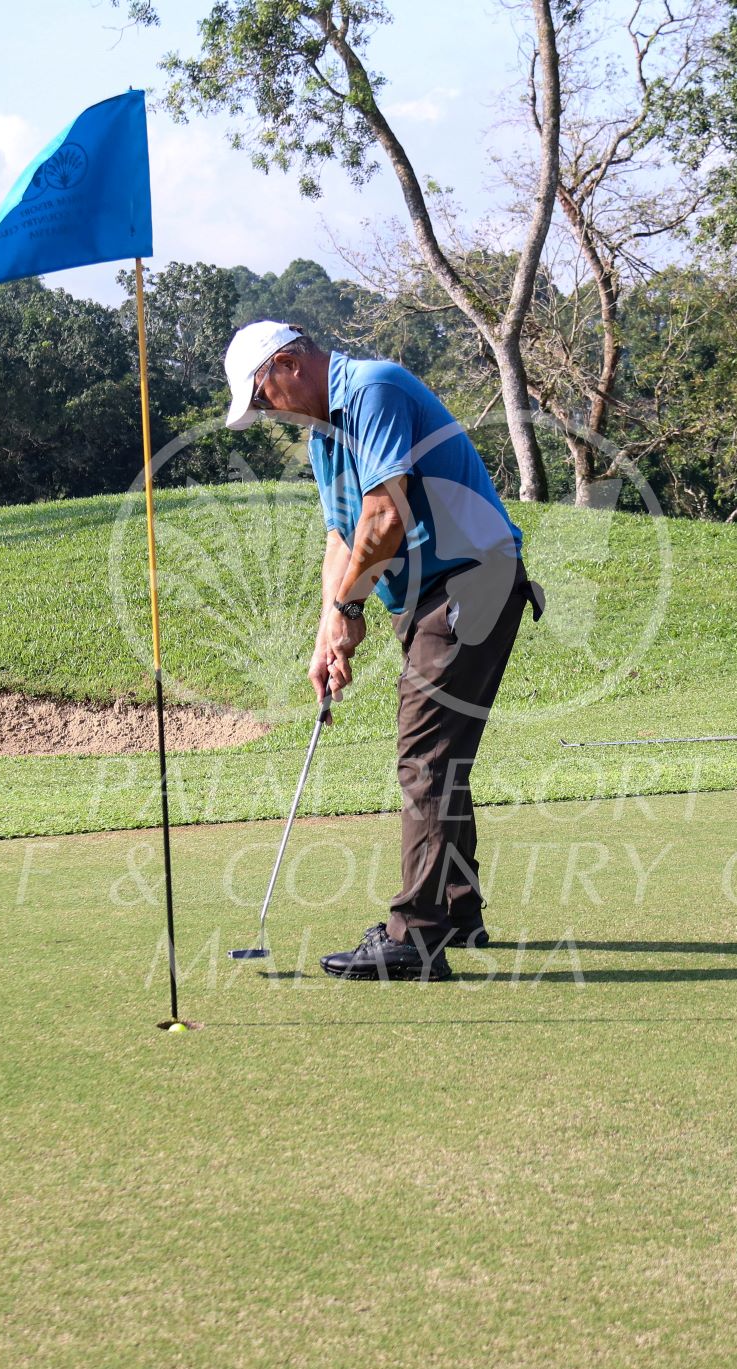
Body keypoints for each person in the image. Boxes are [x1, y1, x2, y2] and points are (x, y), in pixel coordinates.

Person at [222, 322, 542, 981]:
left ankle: (417, 937)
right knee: (439, 755)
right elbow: (343, 540)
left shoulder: (373, 390)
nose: (267, 411)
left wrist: (350, 609)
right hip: (428, 597)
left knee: (424, 756)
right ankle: (455, 911)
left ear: (287, 364)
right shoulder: (324, 439)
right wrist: (326, 637)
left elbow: (385, 516)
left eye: (261, 396)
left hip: (470, 582)